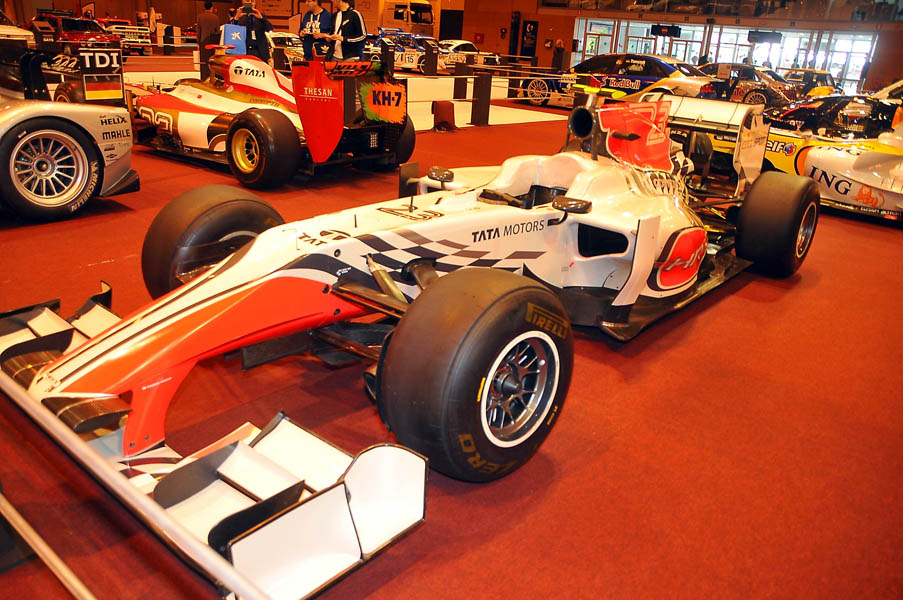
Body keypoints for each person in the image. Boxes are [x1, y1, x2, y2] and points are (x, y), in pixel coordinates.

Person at [197, 1, 221, 79]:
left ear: (204, 7)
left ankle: (203, 78)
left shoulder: (200, 17)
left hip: (203, 41)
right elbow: (217, 31)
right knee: (212, 60)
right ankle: (212, 77)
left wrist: (198, 42)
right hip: (213, 42)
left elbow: (198, 31)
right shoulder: (215, 17)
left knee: (203, 61)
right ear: (212, 8)